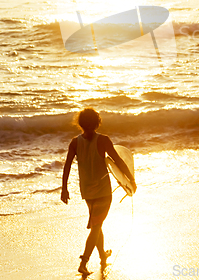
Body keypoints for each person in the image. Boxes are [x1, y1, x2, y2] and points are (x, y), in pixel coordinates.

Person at [61, 108, 136, 275]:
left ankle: (102, 256)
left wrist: (64, 188)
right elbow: (119, 162)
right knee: (96, 226)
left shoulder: (75, 142)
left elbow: (66, 166)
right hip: (103, 191)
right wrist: (131, 180)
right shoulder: (103, 140)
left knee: (97, 225)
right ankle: (84, 261)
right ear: (97, 122)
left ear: (80, 123)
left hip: (87, 191)